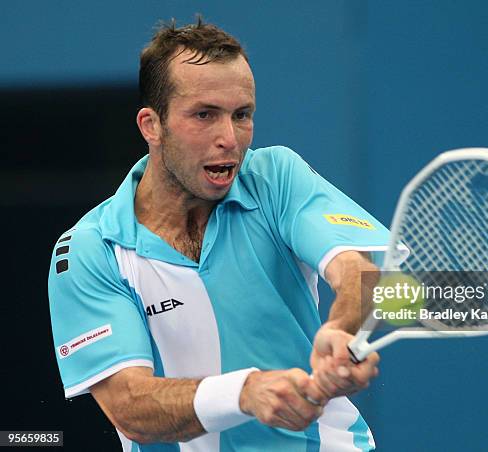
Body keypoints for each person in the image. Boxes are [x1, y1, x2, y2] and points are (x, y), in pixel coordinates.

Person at [48, 16, 388, 451]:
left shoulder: (277, 177)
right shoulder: (89, 250)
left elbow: (357, 271)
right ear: (151, 125)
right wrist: (244, 393)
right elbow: (129, 406)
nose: (229, 138)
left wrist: (340, 329)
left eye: (241, 115)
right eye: (204, 115)